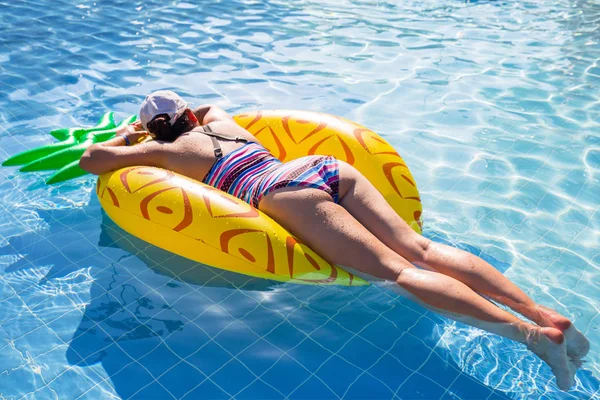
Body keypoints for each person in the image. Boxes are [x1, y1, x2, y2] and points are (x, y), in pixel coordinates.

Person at [80, 90, 589, 391]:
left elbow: (91, 160)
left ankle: (531, 339)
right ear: (190, 113)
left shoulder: (163, 154)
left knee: (397, 274)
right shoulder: (220, 122)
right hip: (318, 168)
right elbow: (209, 104)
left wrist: (131, 139)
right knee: (421, 249)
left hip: (282, 193)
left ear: (156, 130)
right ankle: (543, 313)